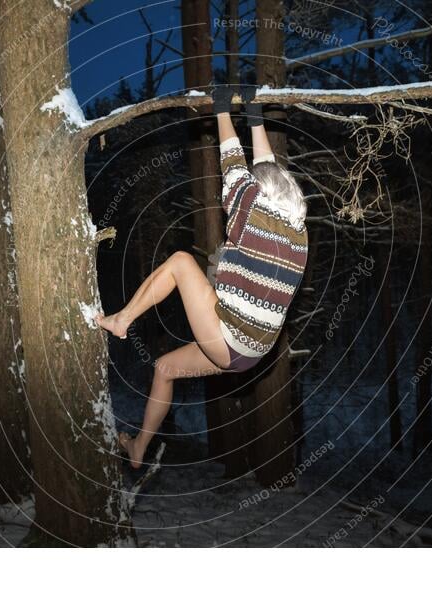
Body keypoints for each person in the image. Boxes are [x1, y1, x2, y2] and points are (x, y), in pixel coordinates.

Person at [96, 84, 308, 468]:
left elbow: (234, 163)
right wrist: (255, 115)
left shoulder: (249, 211)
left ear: (258, 194)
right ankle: (140, 447)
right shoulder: (298, 234)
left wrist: (223, 110)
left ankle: (121, 320)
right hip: (254, 354)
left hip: (231, 339)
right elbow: (269, 170)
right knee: (165, 368)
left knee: (180, 261)